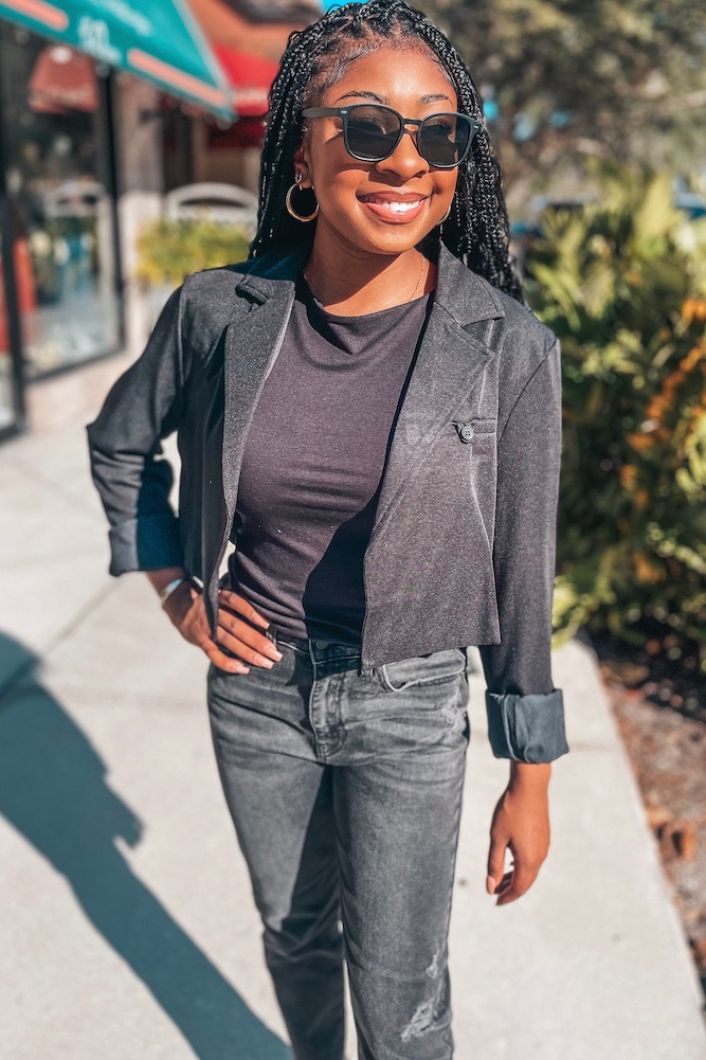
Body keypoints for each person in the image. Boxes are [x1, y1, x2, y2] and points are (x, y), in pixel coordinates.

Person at [86, 1, 570, 1056]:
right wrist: (177, 594)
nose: (405, 159)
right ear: (301, 153)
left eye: (437, 131)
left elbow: (522, 572)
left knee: (402, 998)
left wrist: (528, 774)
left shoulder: (508, 347)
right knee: (294, 935)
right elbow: (122, 446)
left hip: (411, 704)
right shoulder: (218, 312)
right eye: (366, 126)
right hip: (256, 693)